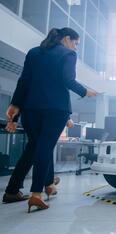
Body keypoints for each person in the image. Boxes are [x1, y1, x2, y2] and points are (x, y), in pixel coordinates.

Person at [6, 27, 97, 212]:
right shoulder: (68, 54)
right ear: (66, 39)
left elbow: (24, 80)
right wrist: (86, 91)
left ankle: (19, 189)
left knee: (35, 147)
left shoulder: (34, 52)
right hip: (55, 109)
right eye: (76, 43)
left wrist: (15, 104)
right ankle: (36, 194)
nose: (76, 48)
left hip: (30, 108)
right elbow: (68, 80)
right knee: (44, 148)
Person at [2, 119, 74, 204]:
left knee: (34, 147)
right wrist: (68, 116)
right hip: (51, 112)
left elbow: (18, 104)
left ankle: (13, 190)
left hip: (29, 113)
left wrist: (14, 118)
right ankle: (46, 185)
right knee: (45, 145)